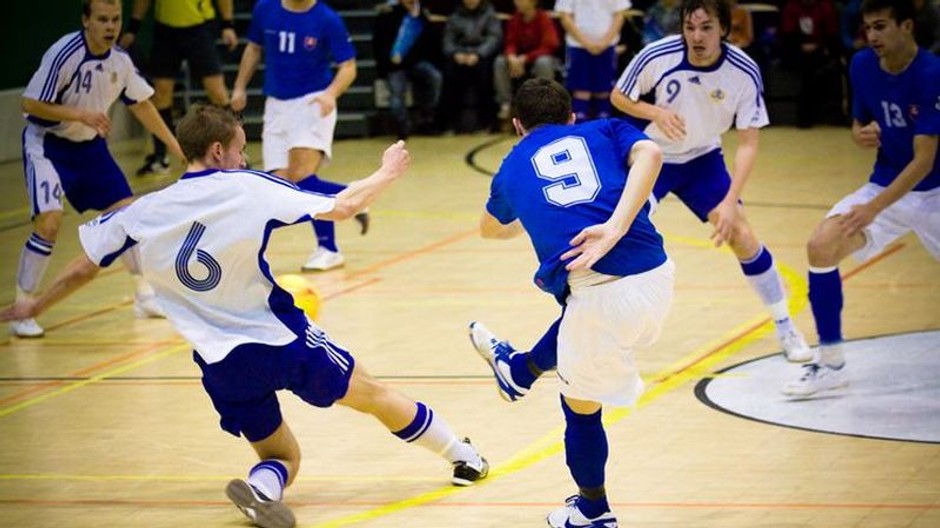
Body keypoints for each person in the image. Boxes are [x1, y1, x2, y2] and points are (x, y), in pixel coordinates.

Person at [0, 105, 489, 528]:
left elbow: (86, 264)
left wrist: (33, 305)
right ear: (217, 152)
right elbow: (343, 206)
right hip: (281, 339)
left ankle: (265, 491)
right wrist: (386, 171)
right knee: (374, 394)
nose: (244, 159)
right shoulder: (246, 186)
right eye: (239, 150)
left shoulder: (144, 210)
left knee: (282, 455)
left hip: (221, 364)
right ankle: (462, 456)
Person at [473, 77, 674, 527]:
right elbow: (653, 153)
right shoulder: (604, 129)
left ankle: (593, 510)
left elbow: (488, 229)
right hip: (658, 279)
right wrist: (618, 222)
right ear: (571, 117)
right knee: (577, 315)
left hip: (604, 297)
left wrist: (537, 206)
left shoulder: (511, 165)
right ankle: (519, 372)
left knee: (579, 407)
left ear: (517, 125)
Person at [611, 0, 813, 361]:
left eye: (705, 28)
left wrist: (730, 202)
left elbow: (749, 143)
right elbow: (619, 96)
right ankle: (608, 331)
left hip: (703, 159)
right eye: (690, 27)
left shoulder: (743, 71)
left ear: (724, 28)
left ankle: (785, 326)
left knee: (742, 235)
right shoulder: (657, 54)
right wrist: (655, 111)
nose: (696, 36)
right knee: (617, 234)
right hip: (652, 156)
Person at [783, 0, 940, 397]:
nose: (872, 36)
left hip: (931, 189)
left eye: (881, 26)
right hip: (886, 184)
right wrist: (858, 133)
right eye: (868, 27)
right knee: (822, 245)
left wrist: (873, 208)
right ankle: (831, 364)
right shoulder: (862, 65)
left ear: (907, 26)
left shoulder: (931, 73)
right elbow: (861, 121)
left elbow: (924, 161)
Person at [10, 0, 183, 338]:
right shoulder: (64, 53)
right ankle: (22, 308)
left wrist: (176, 147)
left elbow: (142, 104)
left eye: (116, 20)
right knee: (48, 222)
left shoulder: (120, 60)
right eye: (102, 19)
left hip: (89, 150)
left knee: (127, 214)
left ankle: (144, 295)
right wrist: (80, 114)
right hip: (47, 144)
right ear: (85, 20)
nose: (110, 26)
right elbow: (29, 103)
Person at [231, 0, 368, 272]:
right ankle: (350, 196)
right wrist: (239, 87)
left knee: (303, 175)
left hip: (312, 102)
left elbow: (349, 66)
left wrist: (331, 93)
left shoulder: (327, 18)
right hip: (276, 104)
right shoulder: (265, 9)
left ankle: (328, 248)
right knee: (281, 185)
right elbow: (254, 48)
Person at [119, 0, 238, 176]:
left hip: (199, 27)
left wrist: (228, 24)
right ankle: (160, 157)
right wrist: (133, 27)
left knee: (218, 93)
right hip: (166, 29)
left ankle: (235, 151)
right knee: (161, 93)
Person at [372, 0, 444, 139]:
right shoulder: (387, 14)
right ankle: (403, 126)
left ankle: (427, 119)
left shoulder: (421, 14)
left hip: (416, 62)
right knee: (396, 97)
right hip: (393, 66)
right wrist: (385, 67)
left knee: (435, 77)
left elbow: (430, 41)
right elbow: (378, 44)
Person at [555, 0, 631, 121]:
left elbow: (619, 15)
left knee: (604, 88)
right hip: (578, 46)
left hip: (607, 47)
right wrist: (586, 43)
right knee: (580, 88)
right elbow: (565, 17)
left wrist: (604, 43)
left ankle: (603, 125)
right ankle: (580, 125)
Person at [493, 0, 560, 122]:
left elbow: (550, 45)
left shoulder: (543, 18)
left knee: (543, 62)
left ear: (533, 2)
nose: (517, 2)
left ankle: (546, 104)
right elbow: (510, 42)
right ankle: (505, 104)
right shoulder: (515, 19)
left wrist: (526, 58)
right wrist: (511, 56)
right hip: (519, 60)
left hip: (540, 58)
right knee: (500, 62)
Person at [442, 0, 503, 133]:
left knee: (484, 74)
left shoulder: (490, 15)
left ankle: (486, 123)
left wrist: (478, 54)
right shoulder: (455, 17)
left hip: (482, 55)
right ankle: (448, 124)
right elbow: (447, 41)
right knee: (450, 74)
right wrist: (456, 53)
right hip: (459, 55)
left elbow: (494, 39)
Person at [780, 0, 842, 127]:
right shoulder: (791, 7)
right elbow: (787, 34)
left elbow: (831, 33)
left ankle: (808, 115)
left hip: (820, 48)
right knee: (810, 69)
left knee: (815, 68)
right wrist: (801, 45)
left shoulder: (826, 7)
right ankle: (805, 116)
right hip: (795, 48)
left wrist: (820, 46)